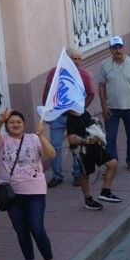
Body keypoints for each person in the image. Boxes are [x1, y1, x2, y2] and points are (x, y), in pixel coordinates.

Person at [0, 109, 58, 260]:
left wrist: (41, 135)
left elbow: (51, 154)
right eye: (11, 122)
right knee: (21, 230)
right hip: (12, 195)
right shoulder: (2, 141)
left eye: (18, 121)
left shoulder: (34, 139)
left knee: (37, 228)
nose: (15, 124)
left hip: (35, 191)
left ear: (24, 123)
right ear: (6, 126)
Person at [43, 48, 96, 187]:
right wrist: (46, 110)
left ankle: (77, 174)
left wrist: (81, 110)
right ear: (67, 58)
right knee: (55, 145)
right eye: (74, 59)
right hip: (58, 116)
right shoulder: (55, 72)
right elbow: (48, 90)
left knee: (75, 145)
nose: (78, 62)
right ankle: (57, 175)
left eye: (79, 59)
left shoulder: (84, 75)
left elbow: (91, 93)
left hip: (75, 117)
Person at [98, 36, 130, 172]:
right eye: (114, 48)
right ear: (110, 50)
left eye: (120, 47)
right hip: (111, 108)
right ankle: (112, 163)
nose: (118, 50)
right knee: (110, 137)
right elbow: (101, 86)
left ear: (123, 48)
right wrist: (103, 106)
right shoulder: (104, 65)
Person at [65, 107, 121, 211]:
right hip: (82, 150)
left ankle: (106, 191)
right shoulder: (71, 119)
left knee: (113, 164)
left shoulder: (84, 112)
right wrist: (89, 140)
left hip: (95, 146)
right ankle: (88, 200)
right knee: (85, 174)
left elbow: (92, 125)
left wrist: (98, 132)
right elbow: (72, 140)